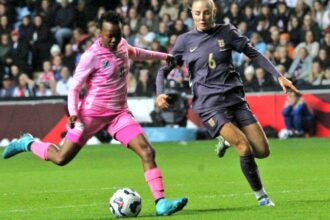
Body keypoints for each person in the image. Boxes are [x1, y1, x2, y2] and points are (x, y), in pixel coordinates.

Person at [2, 11, 187, 216]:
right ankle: (27, 143)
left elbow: (137, 52)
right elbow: (74, 87)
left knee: (148, 152)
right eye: (110, 36)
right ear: (100, 33)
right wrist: (73, 113)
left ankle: (160, 203)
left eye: (118, 34)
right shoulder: (91, 56)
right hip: (89, 116)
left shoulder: (122, 44)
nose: (115, 40)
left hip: (118, 114)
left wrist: (166, 57)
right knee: (61, 158)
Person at [155, 0, 300, 207]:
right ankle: (262, 196)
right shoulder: (184, 41)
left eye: (206, 13)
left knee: (262, 151)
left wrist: (279, 76)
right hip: (208, 104)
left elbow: (253, 53)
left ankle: (227, 141)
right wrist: (160, 93)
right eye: (197, 13)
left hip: (235, 99)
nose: (202, 17)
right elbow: (163, 70)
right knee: (244, 147)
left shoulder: (227, 32)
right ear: (191, 14)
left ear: (214, 12)